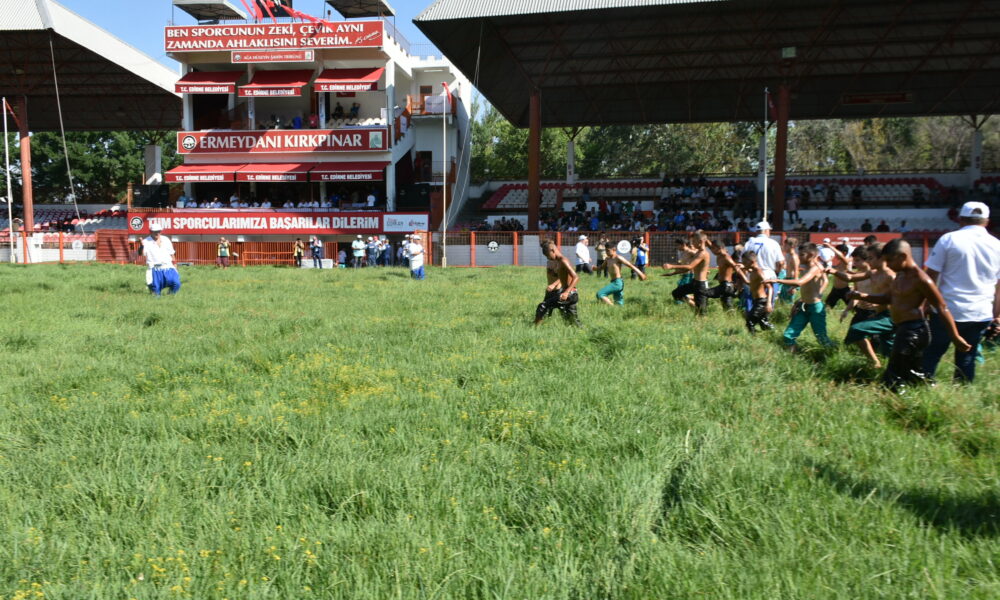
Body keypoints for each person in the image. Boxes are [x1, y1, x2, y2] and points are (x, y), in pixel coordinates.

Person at [848, 240, 970, 393]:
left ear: (902, 257)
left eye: (890, 260)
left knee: (893, 374)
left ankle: (891, 397)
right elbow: (887, 298)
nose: (887, 264)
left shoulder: (921, 279)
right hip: (903, 328)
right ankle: (932, 390)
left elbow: (941, 307)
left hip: (914, 331)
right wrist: (861, 296)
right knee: (913, 372)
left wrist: (955, 336)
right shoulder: (899, 276)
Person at [921, 201, 1000, 383]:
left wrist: (925, 303)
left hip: (947, 309)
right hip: (980, 312)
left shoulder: (949, 240)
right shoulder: (997, 245)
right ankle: (962, 388)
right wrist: (997, 315)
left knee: (933, 352)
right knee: (967, 356)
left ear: (960, 219)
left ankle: (924, 384)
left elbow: (930, 275)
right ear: (986, 221)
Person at [837, 244, 896, 368]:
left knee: (857, 330)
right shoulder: (873, 273)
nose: (868, 261)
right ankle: (890, 368)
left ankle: (876, 363)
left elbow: (895, 299)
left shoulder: (891, 276)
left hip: (890, 317)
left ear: (882, 258)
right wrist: (833, 271)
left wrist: (863, 296)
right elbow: (850, 277)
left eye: (870, 258)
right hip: (880, 314)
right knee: (888, 349)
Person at [769, 243, 835, 351]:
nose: (799, 257)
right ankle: (792, 357)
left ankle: (834, 351)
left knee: (822, 339)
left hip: (815, 308)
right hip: (803, 306)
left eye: (802, 255)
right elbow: (807, 283)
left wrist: (776, 280)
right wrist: (795, 289)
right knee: (788, 336)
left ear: (811, 255)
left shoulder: (816, 268)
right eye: (799, 254)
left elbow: (800, 282)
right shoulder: (804, 267)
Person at [535, 239, 581, 327]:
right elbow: (562, 277)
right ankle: (582, 331)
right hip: (569, 293)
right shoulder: (558, 261)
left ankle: (534, 328)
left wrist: (566, 292)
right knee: (572, 321)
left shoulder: (563, 260)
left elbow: (576, 277)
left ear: (552, 250)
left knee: (542, 306)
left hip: (570, 294)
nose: (548, 258)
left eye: (548, 255)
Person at [663, 233, 711, 316]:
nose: (692, 244)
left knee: (702, 313)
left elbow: (690, 266)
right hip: (695, 282)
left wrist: (672, 266)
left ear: (700, 242)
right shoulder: (698, 252)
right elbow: (690, 268)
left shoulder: (702, 253)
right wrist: (673, 273)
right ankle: (694, 303)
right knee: (676, 293)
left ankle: (699, 309)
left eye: (694, 241)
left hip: (701, 285)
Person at [742, 221, 785, 309]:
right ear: (766, 231)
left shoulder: (749, 243)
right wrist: (777, 273)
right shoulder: (773, 243)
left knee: (750, 303)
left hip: (752, 275)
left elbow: (742, 261)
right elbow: (781, 262)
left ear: (757, 231)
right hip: (769, 275)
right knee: (768, 304)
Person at [738, 250, 773, 333]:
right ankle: (773, 332)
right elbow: (748, 283)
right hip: (756, 301)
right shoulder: (753, 271)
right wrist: (741, 270)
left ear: (752, 262)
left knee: (749, 321)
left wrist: (769, 303)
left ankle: (752, 338)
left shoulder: (758, 272)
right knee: (763, 323)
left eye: (745, 263)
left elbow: (770, 287)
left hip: (761, 302)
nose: (744, 264)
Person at [141, 223, 180, 296]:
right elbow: (141, 253)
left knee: (176, 283)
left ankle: (170, 297)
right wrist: (141, 247)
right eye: (155, 231)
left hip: (168, 266)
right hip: (154, 268)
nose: (157, 233)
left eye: (159, 231)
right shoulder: (146, 241)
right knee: (156, 292)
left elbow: (172, 253)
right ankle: (155, 295)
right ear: (151, 232)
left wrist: (175, 264)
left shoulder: (166, 239)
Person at [704, 239, 740, 310]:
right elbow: (711, 246)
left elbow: (736, 268)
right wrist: (705, 239)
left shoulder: (726, 257)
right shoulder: (719, 254)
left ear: (719, 248)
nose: (712, 251)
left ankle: (702, 312)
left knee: (704, 293)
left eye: (713, 249)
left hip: (726, 286)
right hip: (726, 286)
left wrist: (745, 281)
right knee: (728, 308)